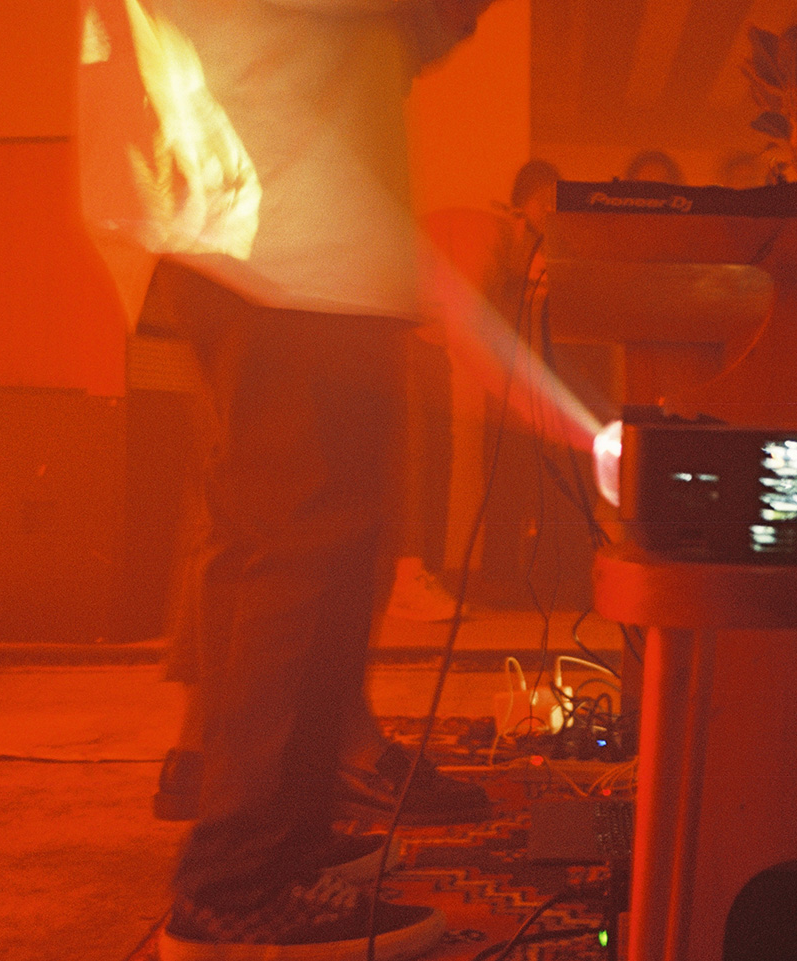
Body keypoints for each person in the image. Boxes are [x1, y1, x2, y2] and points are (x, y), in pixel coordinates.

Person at [81, 0, 500, 957]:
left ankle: (281, 843)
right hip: (286, 213)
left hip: (264, 206)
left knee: (280, 540)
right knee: (305, 542)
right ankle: (240, 882)